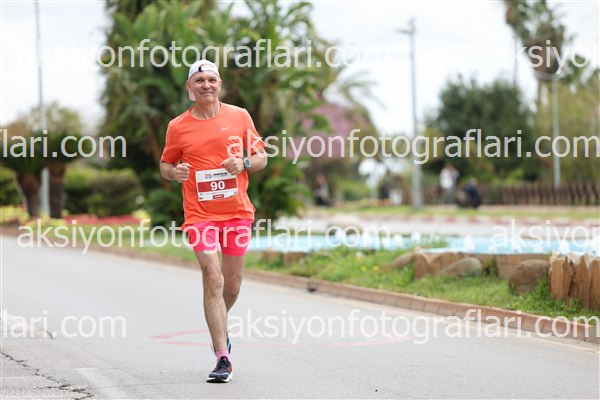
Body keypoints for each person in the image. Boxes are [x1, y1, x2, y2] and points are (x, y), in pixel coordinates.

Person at [159, 59, 267, 383]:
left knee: (231, 286)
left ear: (219, 84)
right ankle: (222, 357)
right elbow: (166, 164)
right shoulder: (178, 126)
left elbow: (261, 157)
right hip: (199, 215)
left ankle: (218, 324)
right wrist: (175, 172)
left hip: (237, 213)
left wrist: (244, 162)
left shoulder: (239, 116)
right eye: (199, 80)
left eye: (211, 79)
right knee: (213, 278)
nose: (206, 84)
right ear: (190, 88)